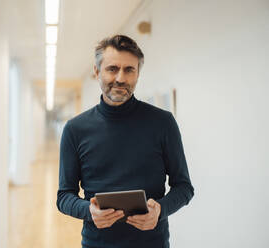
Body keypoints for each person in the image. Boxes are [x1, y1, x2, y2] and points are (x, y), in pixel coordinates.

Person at [56, 34, 194, 248]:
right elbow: (64, 196)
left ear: (138, 74)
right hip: (97, 244)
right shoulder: (75, 129)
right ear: (96, 71)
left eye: (129, 70)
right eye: (112, 69)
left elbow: (184, 187)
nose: (120, 78)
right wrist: (89, 211)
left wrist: (160, 210)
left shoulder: (163, 122)